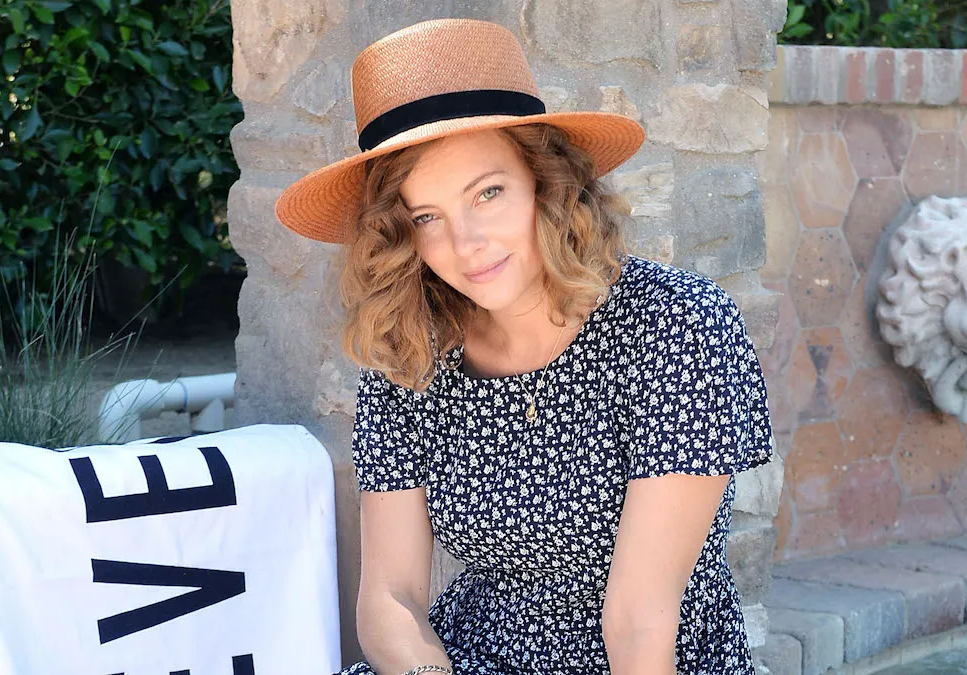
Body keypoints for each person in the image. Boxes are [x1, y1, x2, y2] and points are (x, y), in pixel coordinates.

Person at [273, 18, 774, 675]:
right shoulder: (411, 358)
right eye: (427, 217)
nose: (466, 242)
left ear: (546, 181)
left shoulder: (681, 328)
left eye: (488, 193)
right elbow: (391, 597)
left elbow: (639, 621)